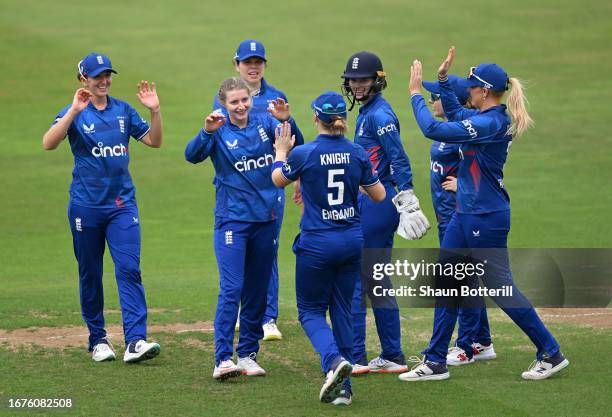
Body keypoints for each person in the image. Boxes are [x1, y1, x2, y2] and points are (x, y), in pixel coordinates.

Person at [400, 47, 569, 381]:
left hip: (485, 217)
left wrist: (416, 94)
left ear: (485, 92)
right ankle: (435, 360)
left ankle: (550, 351)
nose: (469, 91)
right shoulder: (484, 118)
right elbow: (455, 115)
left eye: (472, 86)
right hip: (467, 214)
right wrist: (445, 82)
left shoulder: (491, 122)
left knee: (500, 288)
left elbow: (434, 129)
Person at [42, 52, 163, 363]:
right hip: (86, 208)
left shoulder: (123, 110)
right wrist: (73, 110)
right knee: (90, 274)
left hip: (122, 206)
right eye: (97, 76)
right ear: (84, 79)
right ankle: (98, 340)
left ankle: (136, 340)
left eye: (107, 75)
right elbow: (49, 142)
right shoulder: (75, 113)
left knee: (129, 269)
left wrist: (155, 111)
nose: (104, 81)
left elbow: (154, 141)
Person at [271, 91, 386, 405]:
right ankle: (344, 391)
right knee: (342, 309)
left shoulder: (303, 154)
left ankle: (334, 362)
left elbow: (277, 180)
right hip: (351, 240)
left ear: (315, 118)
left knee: (309, 311)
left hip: (318, 243)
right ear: (343, 120)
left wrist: (281, 151)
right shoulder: (358, 152)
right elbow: (378, 195)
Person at [185, 77, 303, 380]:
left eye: (244, 100)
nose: (240, 106)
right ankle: (223, 358)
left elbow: (297, 146)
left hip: (267, 219)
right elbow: (191, 155)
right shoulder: (218, 129)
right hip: (232, 222)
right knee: (232, 287)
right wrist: (205, 132)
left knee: (257, 290)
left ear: (252, 99)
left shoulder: (267, 122)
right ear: (223, 103)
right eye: (234, 102)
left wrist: (287, 120)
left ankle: (248, 355)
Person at [340, 51, 430, 375]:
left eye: (363, 79)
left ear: (377, 80)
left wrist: (406, 198)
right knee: (377, 280)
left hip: (379, 204)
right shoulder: (368, 111)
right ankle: (391, 354)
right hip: (375, 202)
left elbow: (398, 157)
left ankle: (356, 358)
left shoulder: (379, 115)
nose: (357, 85)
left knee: (357, 282)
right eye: (353, 80)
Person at [213, 39, 287, 341]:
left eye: (258, 61)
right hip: (235, 196)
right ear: (237, 65)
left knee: (266, 253)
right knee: (239, 256)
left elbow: (291, 139)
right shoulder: (224, 99)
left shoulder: (275, 98)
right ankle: (245, 312)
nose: (253, 67)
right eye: (247, 62)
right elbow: (214, 143)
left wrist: (293, 178)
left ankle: (268, 317)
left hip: (271, 189)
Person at [423, 76, 497, 366]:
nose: (432, 101)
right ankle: (482, 340)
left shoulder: (465, 132)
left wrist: (465, 184)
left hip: (460, 214)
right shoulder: (449, 131)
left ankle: (465, 345)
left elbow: (484, 163)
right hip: (447, 215)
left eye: (436, 96)